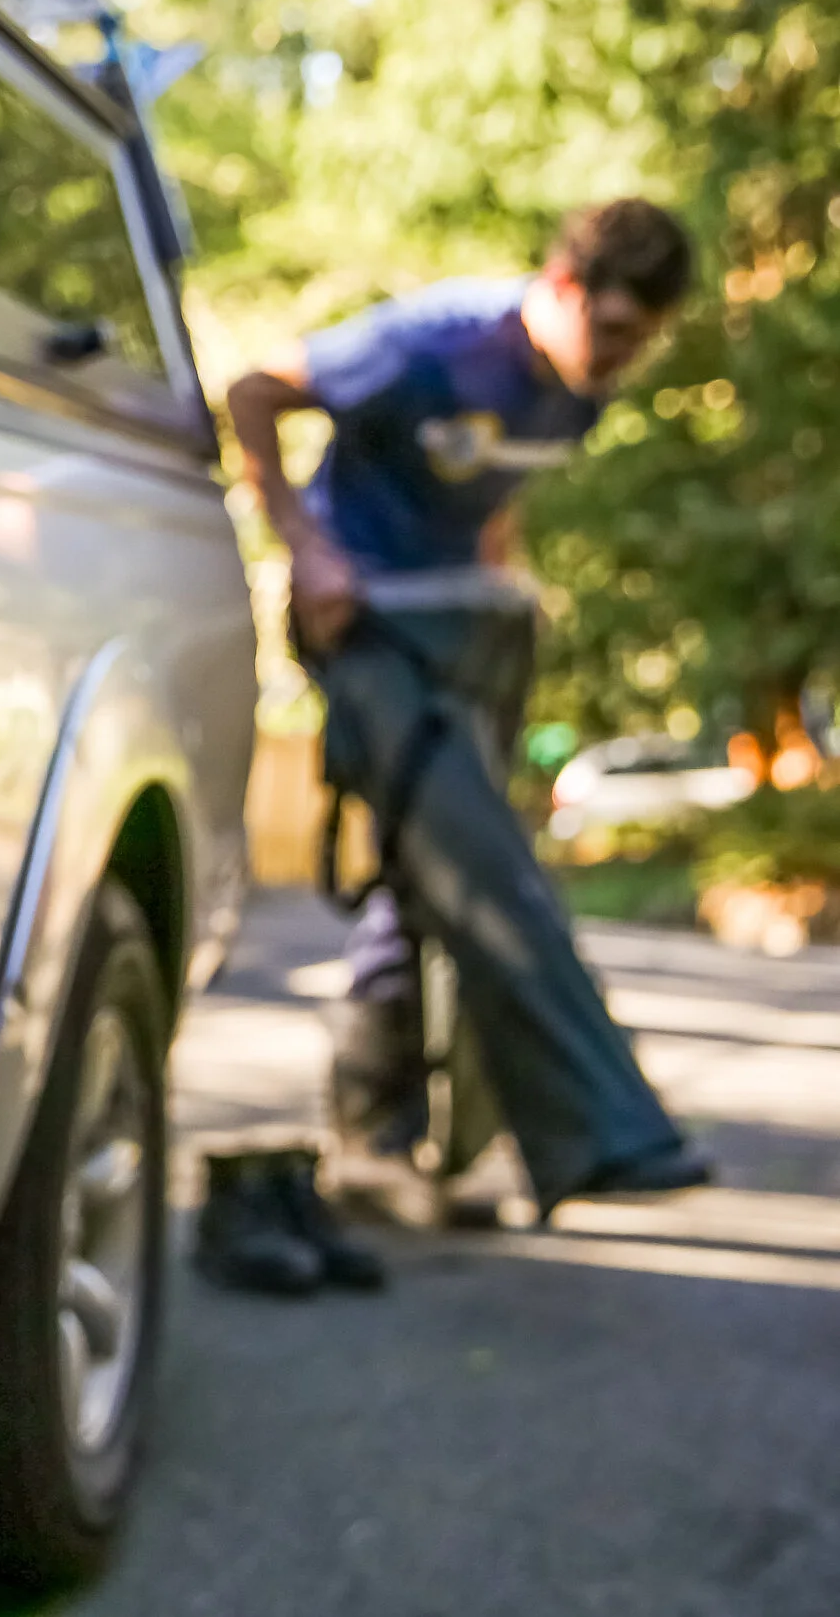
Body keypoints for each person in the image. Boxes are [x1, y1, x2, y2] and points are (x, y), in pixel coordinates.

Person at [221, 198, 713, 1230]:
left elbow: (491, 483)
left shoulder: (580, 389)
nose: (620, 359)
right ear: (562, 287)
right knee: (485, 867)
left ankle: (382, 1150)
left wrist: (500, 573)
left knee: (426, 880)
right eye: (613, 330)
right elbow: (254, 389)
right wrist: (305, 547)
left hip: (463, 627)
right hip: (362, 621)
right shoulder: (430, 343)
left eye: (642, 343)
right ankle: (603, 1135)